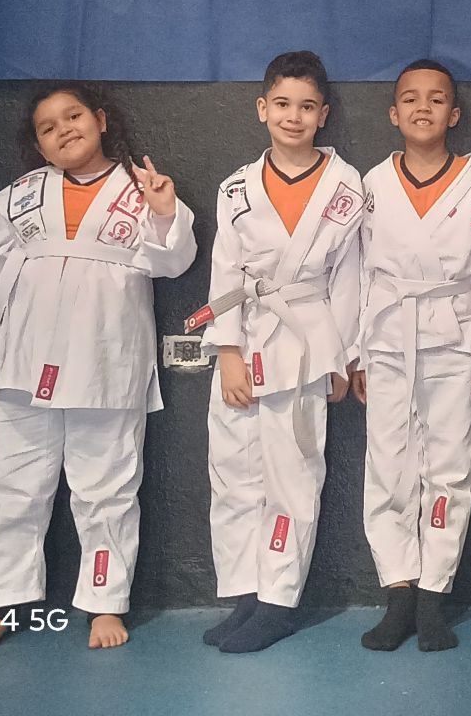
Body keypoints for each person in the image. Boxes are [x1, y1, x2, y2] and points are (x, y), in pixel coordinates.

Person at [0, 85, 196, 652]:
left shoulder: (141, 186)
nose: (64, 129)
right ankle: (1, 601)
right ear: (38, 145)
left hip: (106, 357)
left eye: (73, 116)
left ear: (101, 120)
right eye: (48, 127)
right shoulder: (18, 196)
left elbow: (174, 263)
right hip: (24, 357)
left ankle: (104, 601)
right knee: (13, 485)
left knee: (106, 487)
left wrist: (165, 211)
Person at [198, 50, 365, 654]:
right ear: (262, 108)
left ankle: (278, 600)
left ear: (324, 115)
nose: (294, 117)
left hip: (307, 340)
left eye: (307, 107)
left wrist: (344, 357)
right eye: (283, 104)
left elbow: (351, 278)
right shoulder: (236, 188)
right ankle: (245, 593)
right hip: (246, 338)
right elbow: (225, 270)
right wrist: (227, 351)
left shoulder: (347, 186)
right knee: (234, 472)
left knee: (293, 475)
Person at [352, 59, 471, 652]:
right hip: (387, 335)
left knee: (451, 465)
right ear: (394, 114)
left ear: (454, 113)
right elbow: (358, 273)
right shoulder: (372, 183)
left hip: (452, 335)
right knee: (387, 465)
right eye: (411, 98)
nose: (424, 107)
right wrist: (355, 353)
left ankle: (434, 596)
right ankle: (398, 591)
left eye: (437, 98)